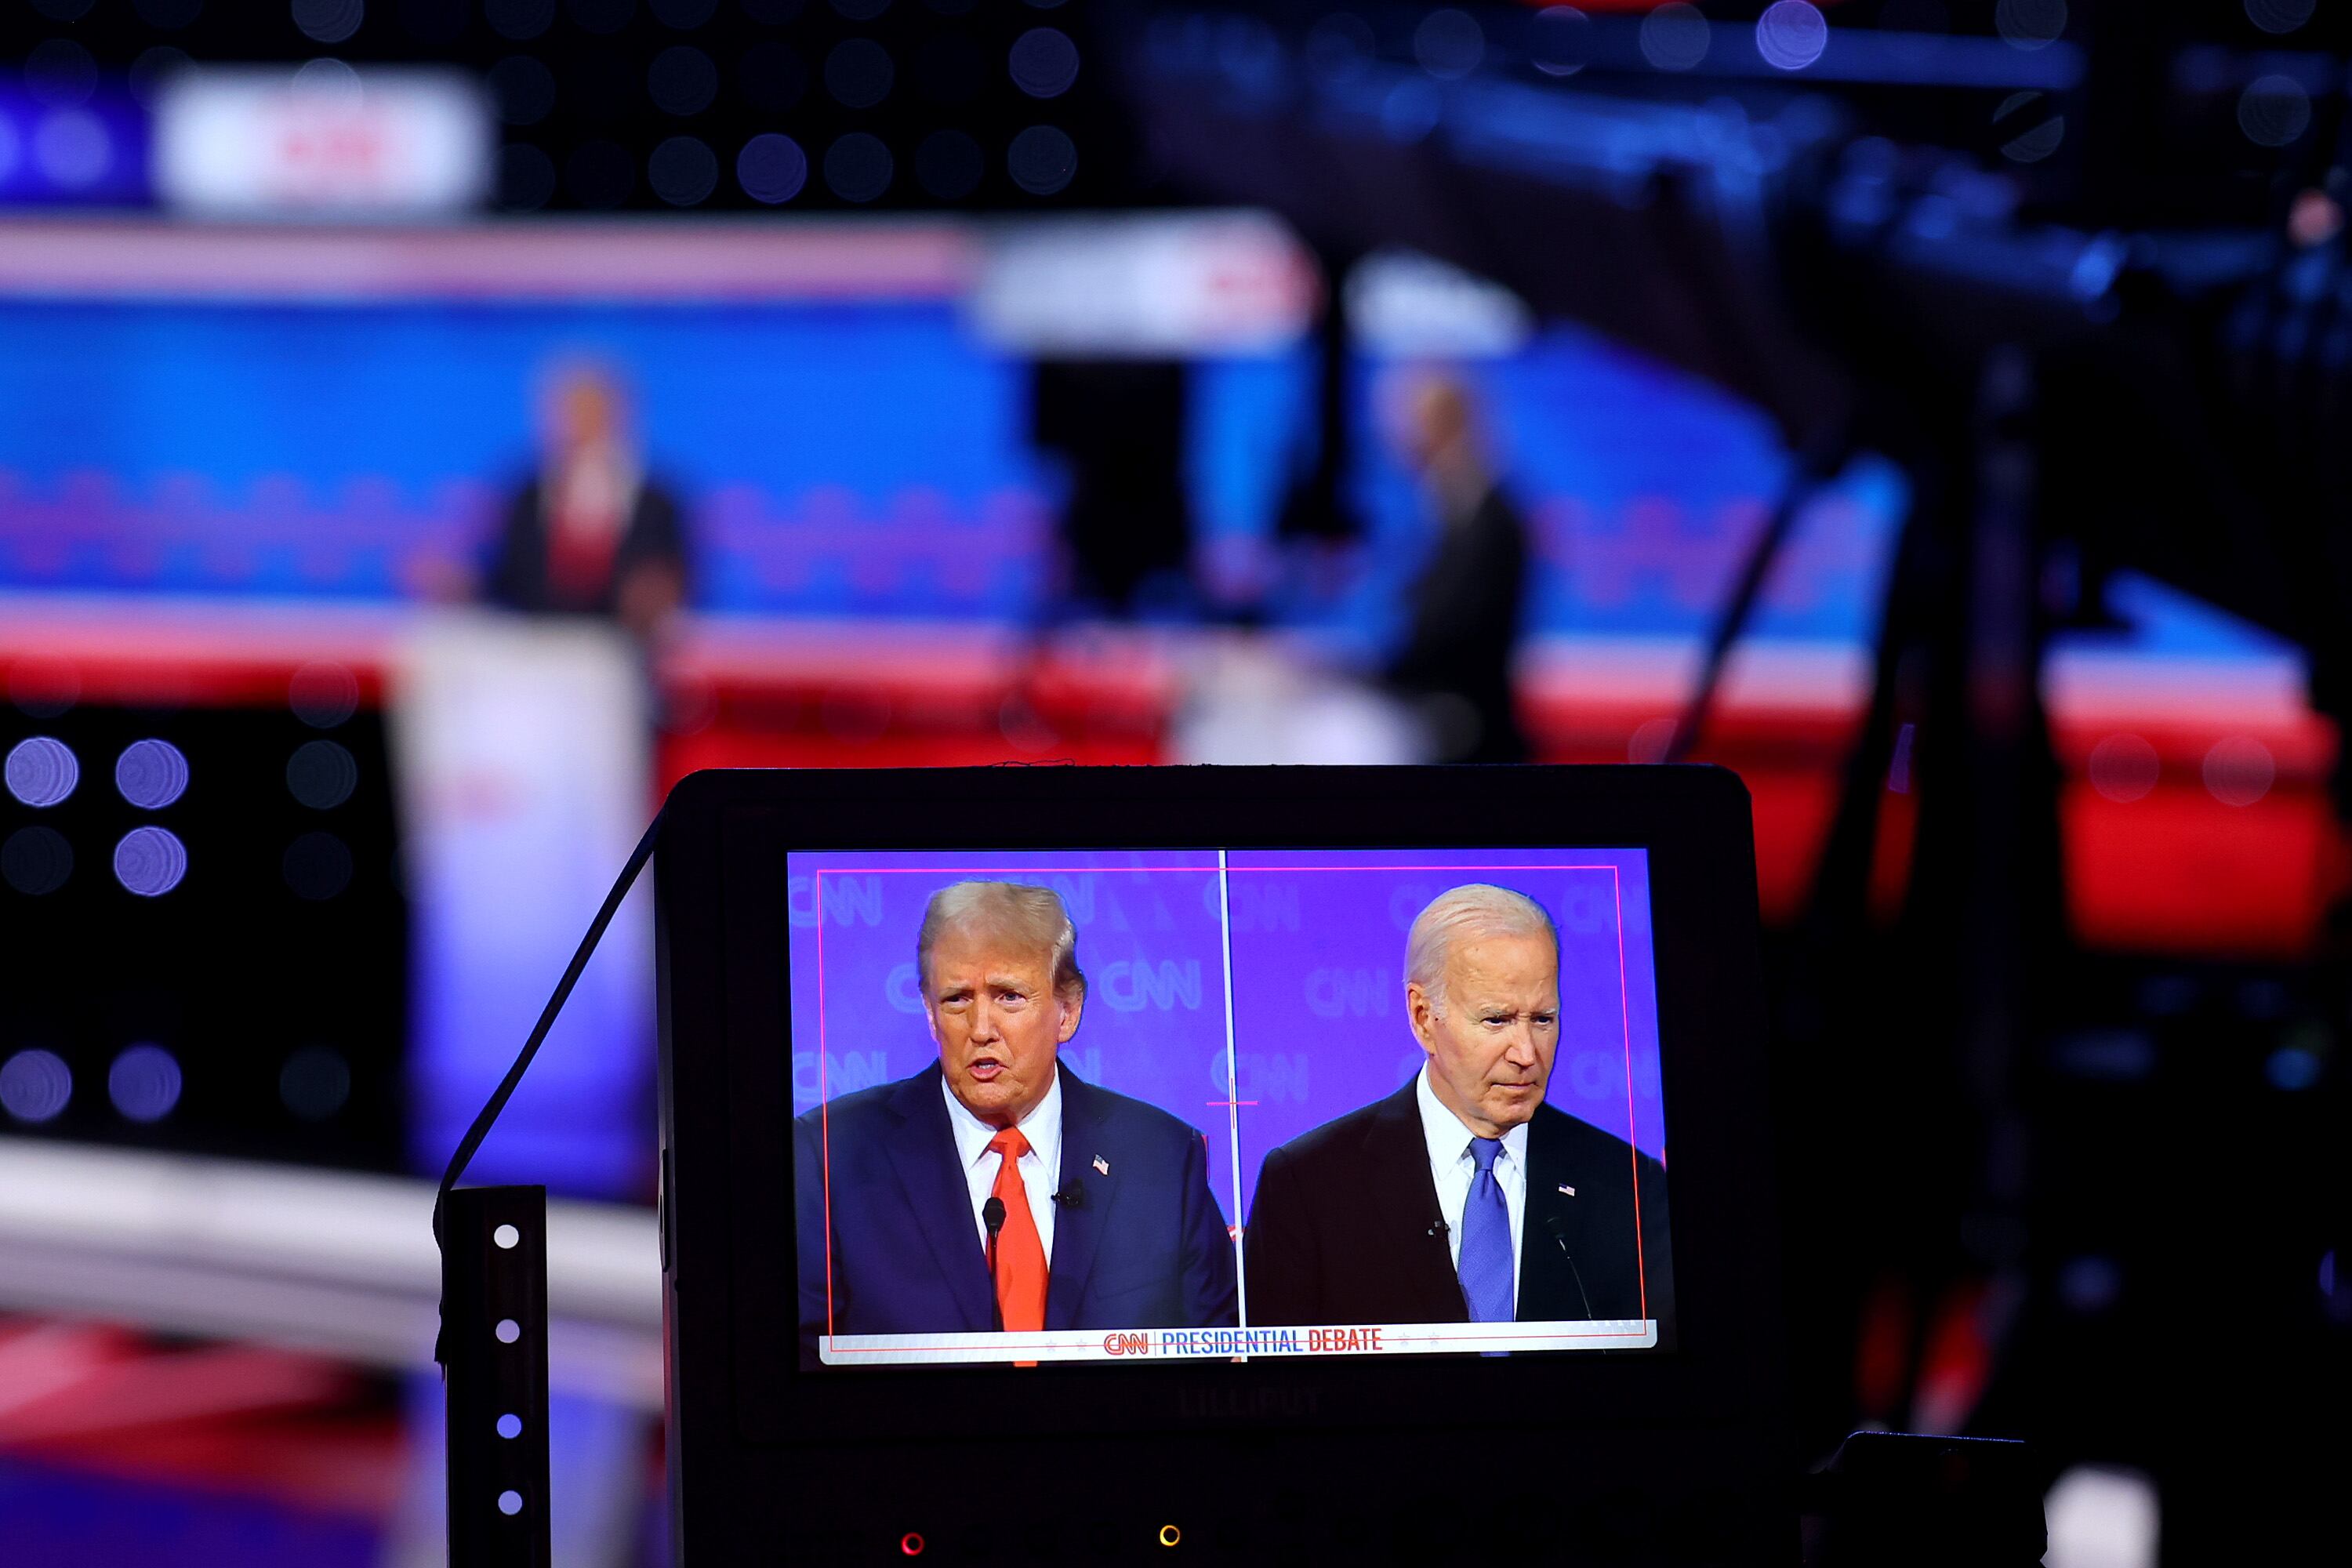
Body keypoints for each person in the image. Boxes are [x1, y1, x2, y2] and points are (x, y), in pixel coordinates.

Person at [796, 882, 1239, 1363]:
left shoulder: (1163, 1157)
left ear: (1067, 1011)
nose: (981, 1028)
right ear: (929, 1013)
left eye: (1008, 996)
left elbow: (1212, 1361)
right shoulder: (832, 1154)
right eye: (957, 1000)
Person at [1244, 884, 1673, 1334]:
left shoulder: (1628, 1187)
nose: (1527, 1053)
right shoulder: (1308, 1184)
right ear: (1423, 1016)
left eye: (1543, 1019)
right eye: (1497, 1020)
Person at [479, 361, 689, 640]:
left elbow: (680, 581)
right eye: (572, 412)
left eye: (593, 412)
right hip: (538, 647)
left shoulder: (658, 501)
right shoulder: (527, 494)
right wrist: (462, 587)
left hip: (623, 651)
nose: (581, 423)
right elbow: (504, 582)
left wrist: (655, 601)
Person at [1383, 373, 1533, 763]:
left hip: (1470, 740)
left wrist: (1373, 675)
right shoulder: (1449, 510)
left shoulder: (1487, 520)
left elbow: (1452, 631)